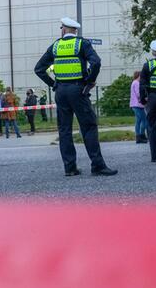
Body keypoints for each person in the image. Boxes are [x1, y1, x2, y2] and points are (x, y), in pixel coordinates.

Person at [34, 17, 117, 176]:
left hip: (61, 92)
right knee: (88, 126)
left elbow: (38, 69)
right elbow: (96, 63)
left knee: (64, 130)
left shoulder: (55, 46)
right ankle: (97, 165)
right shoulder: (82, 44)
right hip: (78, 90)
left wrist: (53, 85)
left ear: (63, 30)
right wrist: (90, 81)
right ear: (75, 31)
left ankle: (70, 168)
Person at [130, 71, 148, 144]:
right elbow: (138, 93)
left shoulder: (133, 82)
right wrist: (145, 99)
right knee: (144, 120)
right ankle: (142, 135)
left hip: (134, 104)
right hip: (138, 104)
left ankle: (138, 136)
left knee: (138, 121)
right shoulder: (137, 83)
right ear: (139, 76)